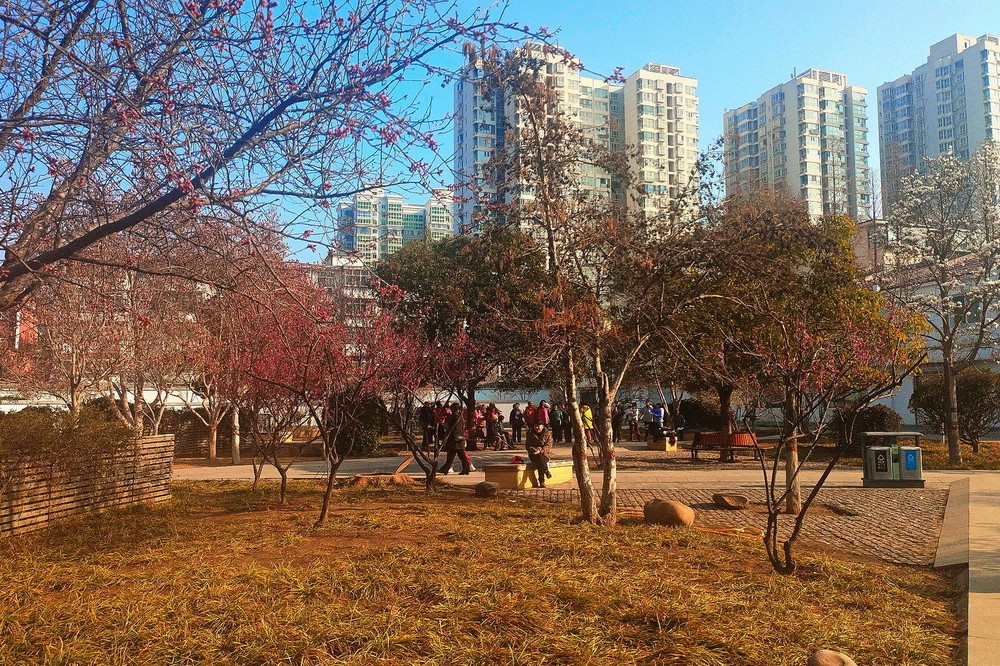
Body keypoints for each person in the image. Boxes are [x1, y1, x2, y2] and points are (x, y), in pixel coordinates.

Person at [439, 403, 473, 475]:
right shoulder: (459, 417)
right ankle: (447, 468)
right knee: (453, 456)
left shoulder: (455, 417)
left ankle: (464, 468)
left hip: (455, 439)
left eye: (452, 408)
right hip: (457, 439)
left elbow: (454, 428)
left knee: (459, 456)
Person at [524, 421, 553, 488]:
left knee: (540, 460)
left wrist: (541, 450)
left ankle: (541, 481)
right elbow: (527, 445)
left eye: (538, 426)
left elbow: (549, 445)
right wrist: (533, 449)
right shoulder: (530, 433)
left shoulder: (548, 434)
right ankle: (546, 472)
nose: (536, 427)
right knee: (539, 459)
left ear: (542, 426)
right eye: (535, 426)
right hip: (533, 454)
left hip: (545, 454)